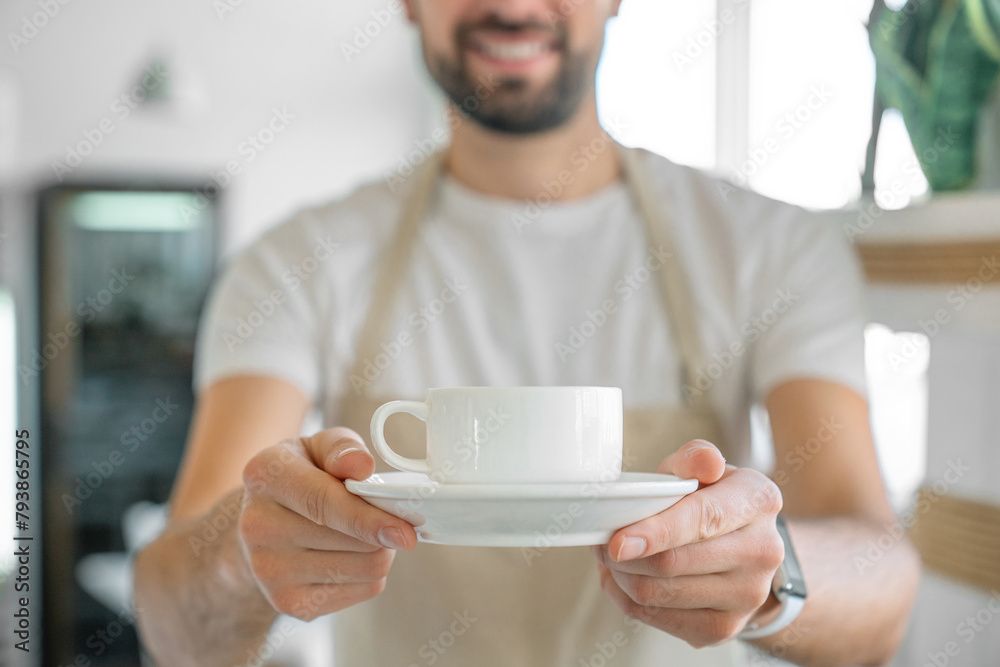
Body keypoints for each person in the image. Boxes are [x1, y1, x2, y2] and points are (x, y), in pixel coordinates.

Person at [134, 1, 921, 665]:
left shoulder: (770, 249)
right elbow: (173, 623)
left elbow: (884, 585)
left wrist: (771, 571)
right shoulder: (295, 264)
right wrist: (243, 553)